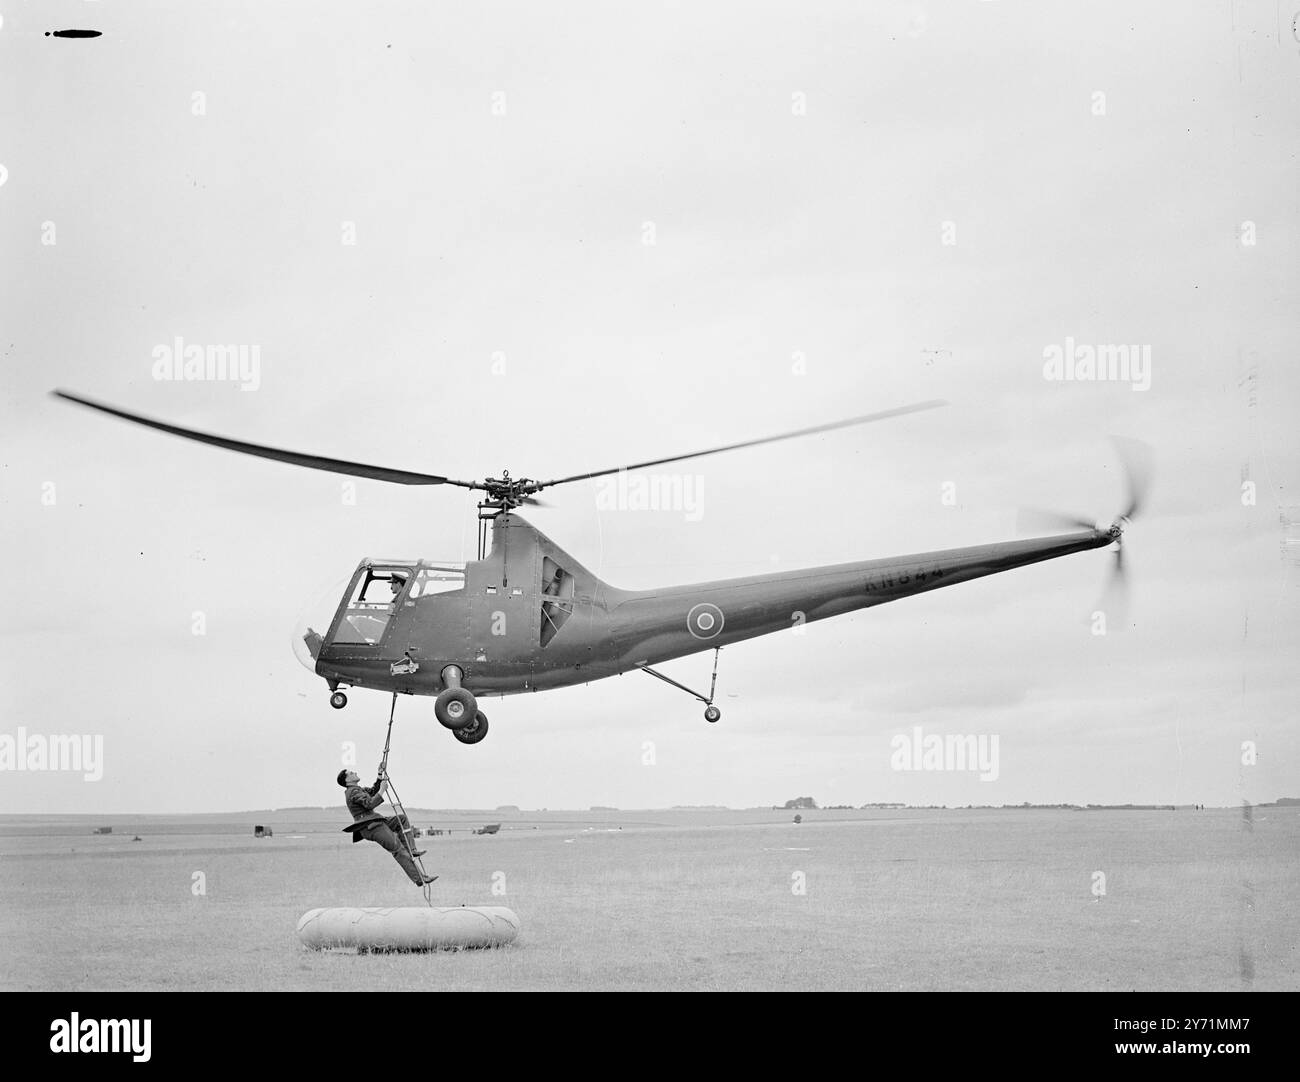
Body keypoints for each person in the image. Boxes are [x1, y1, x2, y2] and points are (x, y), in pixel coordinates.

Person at [338, 768, 436, 887]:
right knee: (398, 850)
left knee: (401, 819)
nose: (355, 772)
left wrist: (380, 775)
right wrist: (382, 790)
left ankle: (412, 850)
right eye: (351, 773)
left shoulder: (357, 789)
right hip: (371, 826)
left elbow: (373, 791)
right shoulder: (353, 792)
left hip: (375, 822)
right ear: (347, 780)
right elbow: (370, 804)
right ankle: (420, 878)